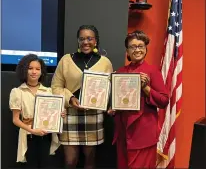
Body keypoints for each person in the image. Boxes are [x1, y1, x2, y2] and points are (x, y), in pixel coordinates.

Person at [51, 25, 113, 169]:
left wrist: (108, 104)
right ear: (78, 41)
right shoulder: (66, 60)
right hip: (70, 114)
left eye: (90, 38)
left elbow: (110, 89)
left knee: (90, 161)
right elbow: (56, 87)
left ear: (96, 41)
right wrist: (71, 98)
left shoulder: (105, 62)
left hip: (93, 114)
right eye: (82, 39)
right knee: (70, 161)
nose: (86, 42)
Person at [108, 30, 169, 169]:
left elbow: (164, 101)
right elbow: (117, 101)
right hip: (123, 133)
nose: (137, 50)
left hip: (143, 135)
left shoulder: (152, 71)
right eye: (133, 47)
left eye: (140, 46)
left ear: (145, 48)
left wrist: (146, 88)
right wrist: (113, 109)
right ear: (127, 51)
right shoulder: (120, 73)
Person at [9, 54, 65, 168]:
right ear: (24, 70)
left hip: (46, 136)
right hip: (29, 136)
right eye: (30, 68)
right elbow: (15, 119)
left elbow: (54, 114)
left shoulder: (49, 91)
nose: (34, 72)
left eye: (37, 69)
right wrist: (33, 130)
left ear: (42, 72)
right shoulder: (18, 92)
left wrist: (60, 115)